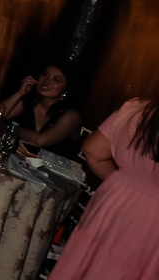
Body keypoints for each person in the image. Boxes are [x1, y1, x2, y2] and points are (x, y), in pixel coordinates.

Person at [49, 98, 159, 279]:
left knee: (86, 265)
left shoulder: (137, 109)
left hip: (114, 203)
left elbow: (93, 151)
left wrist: (128, 187)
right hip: (152, 227)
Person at [0, 63, 82, 157]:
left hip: (53, 170)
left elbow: (41, 140)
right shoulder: (29, 102)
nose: (47, 81)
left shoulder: (72, 116)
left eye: (56, 79)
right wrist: (20, 93)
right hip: (18, 163)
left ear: (65, 91)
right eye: (44, 74)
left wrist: (11, 127)